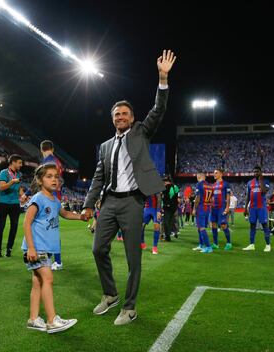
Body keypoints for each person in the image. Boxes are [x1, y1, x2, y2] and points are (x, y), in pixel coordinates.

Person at [82, 50, 176, 326]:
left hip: (134, 201)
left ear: (132, 118)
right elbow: (98, 177)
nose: (120, 117)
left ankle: (130, 307)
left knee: (133, 257)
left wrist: (162, 78)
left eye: (124, 113)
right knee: (98, 249)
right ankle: (110, 294)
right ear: (112, 119)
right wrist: (88, 203)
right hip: (109, 202)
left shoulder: (141, 132)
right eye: (116, 114)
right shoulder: (105, 146)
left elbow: (158, 110)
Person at [21, 163, 87, 333]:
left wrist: (81, 216)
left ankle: (34, 319)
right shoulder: (37, 198)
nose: (54, 179)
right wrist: (31, 248)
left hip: (44, 248)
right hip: (37, 247)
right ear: (40, 180)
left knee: (38, 282)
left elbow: (65, 214)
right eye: (49, 176)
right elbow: (26, 223)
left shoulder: (55, 200)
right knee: (48, 279)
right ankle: (52, 321)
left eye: (56, 176)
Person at [39, 140, 64, 271]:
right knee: (48, 228)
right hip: (53, 197)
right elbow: (60, 180)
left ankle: (57, 261)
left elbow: (39, 180)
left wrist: (26, 193)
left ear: (41, 149)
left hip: (49, 197)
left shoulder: (47, 162)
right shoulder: (57, 161)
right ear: (52, 149)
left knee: (47, 229)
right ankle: (49, 259)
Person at [0, 154, 23, 257]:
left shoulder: (19, 174)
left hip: (15, 204)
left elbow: (19, 188)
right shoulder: (3, 172)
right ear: (13, 162)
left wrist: (23, 195)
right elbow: (1, 187)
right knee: (1, 226)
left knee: (14, 227)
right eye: (19, 163)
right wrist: (12, 182)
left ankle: (9, 249)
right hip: (3, 203)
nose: (21, 165)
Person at [243, 166, 271, 252]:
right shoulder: (249, 183)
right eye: (254, 172)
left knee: (264, 225)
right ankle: (252, 244)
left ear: (260, 172)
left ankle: (268, 245)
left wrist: (260, 180)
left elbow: (264, 191)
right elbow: (248, 196)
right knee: (252, 225)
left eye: (257, 172)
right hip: (252, 208)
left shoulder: (265, 181)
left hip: (261, 207)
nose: (255, 173)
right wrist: (245, 208)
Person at [210, 168, 232, 250]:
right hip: (213, 208)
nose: (214, 174)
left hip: (221, 208)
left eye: (216, 173)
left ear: (221, 174)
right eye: (214, 173)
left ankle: (229, 243)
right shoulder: (213, 185)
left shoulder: (226, 184)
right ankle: (215, 243)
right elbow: (212, 196)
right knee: (214, 225)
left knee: (223, 225)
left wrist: (227, 207)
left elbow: (228, 196)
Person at [192, 172, 214, 253]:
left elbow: (197, 197)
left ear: (199, 176)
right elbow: (212, 199)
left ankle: (208, 247)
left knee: (202, 228)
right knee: (200, 227)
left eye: (197, 176)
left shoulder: (199, 184)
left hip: (201, 208)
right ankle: (201, 245)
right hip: (207, 208)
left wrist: (194, 208)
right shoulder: (210, 186)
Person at [162, 176, 179, 241]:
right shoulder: (175, 187)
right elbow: (176, 196)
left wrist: (165, 205)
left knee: (166, 222)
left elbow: (166, 198)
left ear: (166, 182)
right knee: (170, 221)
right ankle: (171, 234)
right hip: (174, 207)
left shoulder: (166, 188)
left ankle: (167, 236)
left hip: (168, 207)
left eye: (164, 182)